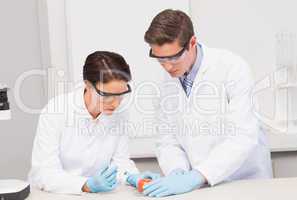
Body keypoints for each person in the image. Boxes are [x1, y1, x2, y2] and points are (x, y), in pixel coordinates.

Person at [141, 9, 273, 197]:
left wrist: (198, 175)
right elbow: (167, 139)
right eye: (160, 58)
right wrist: (177, 171)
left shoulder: (233, 68)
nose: (168, 66)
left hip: (243, 182)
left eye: (173, 57)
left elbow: (243, 136)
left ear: (192, 42)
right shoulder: (164, 81)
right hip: (200, 189)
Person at [28, 51, 159, 194]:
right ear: (88, 85)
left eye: (121, 95)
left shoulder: (120, 112)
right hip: (51, 194)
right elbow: (45, 173)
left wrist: (133, 177)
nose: (115, 103)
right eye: (107, 95)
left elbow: (120, 162)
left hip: (97, 195)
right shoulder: (56, 110)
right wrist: (86, 184)